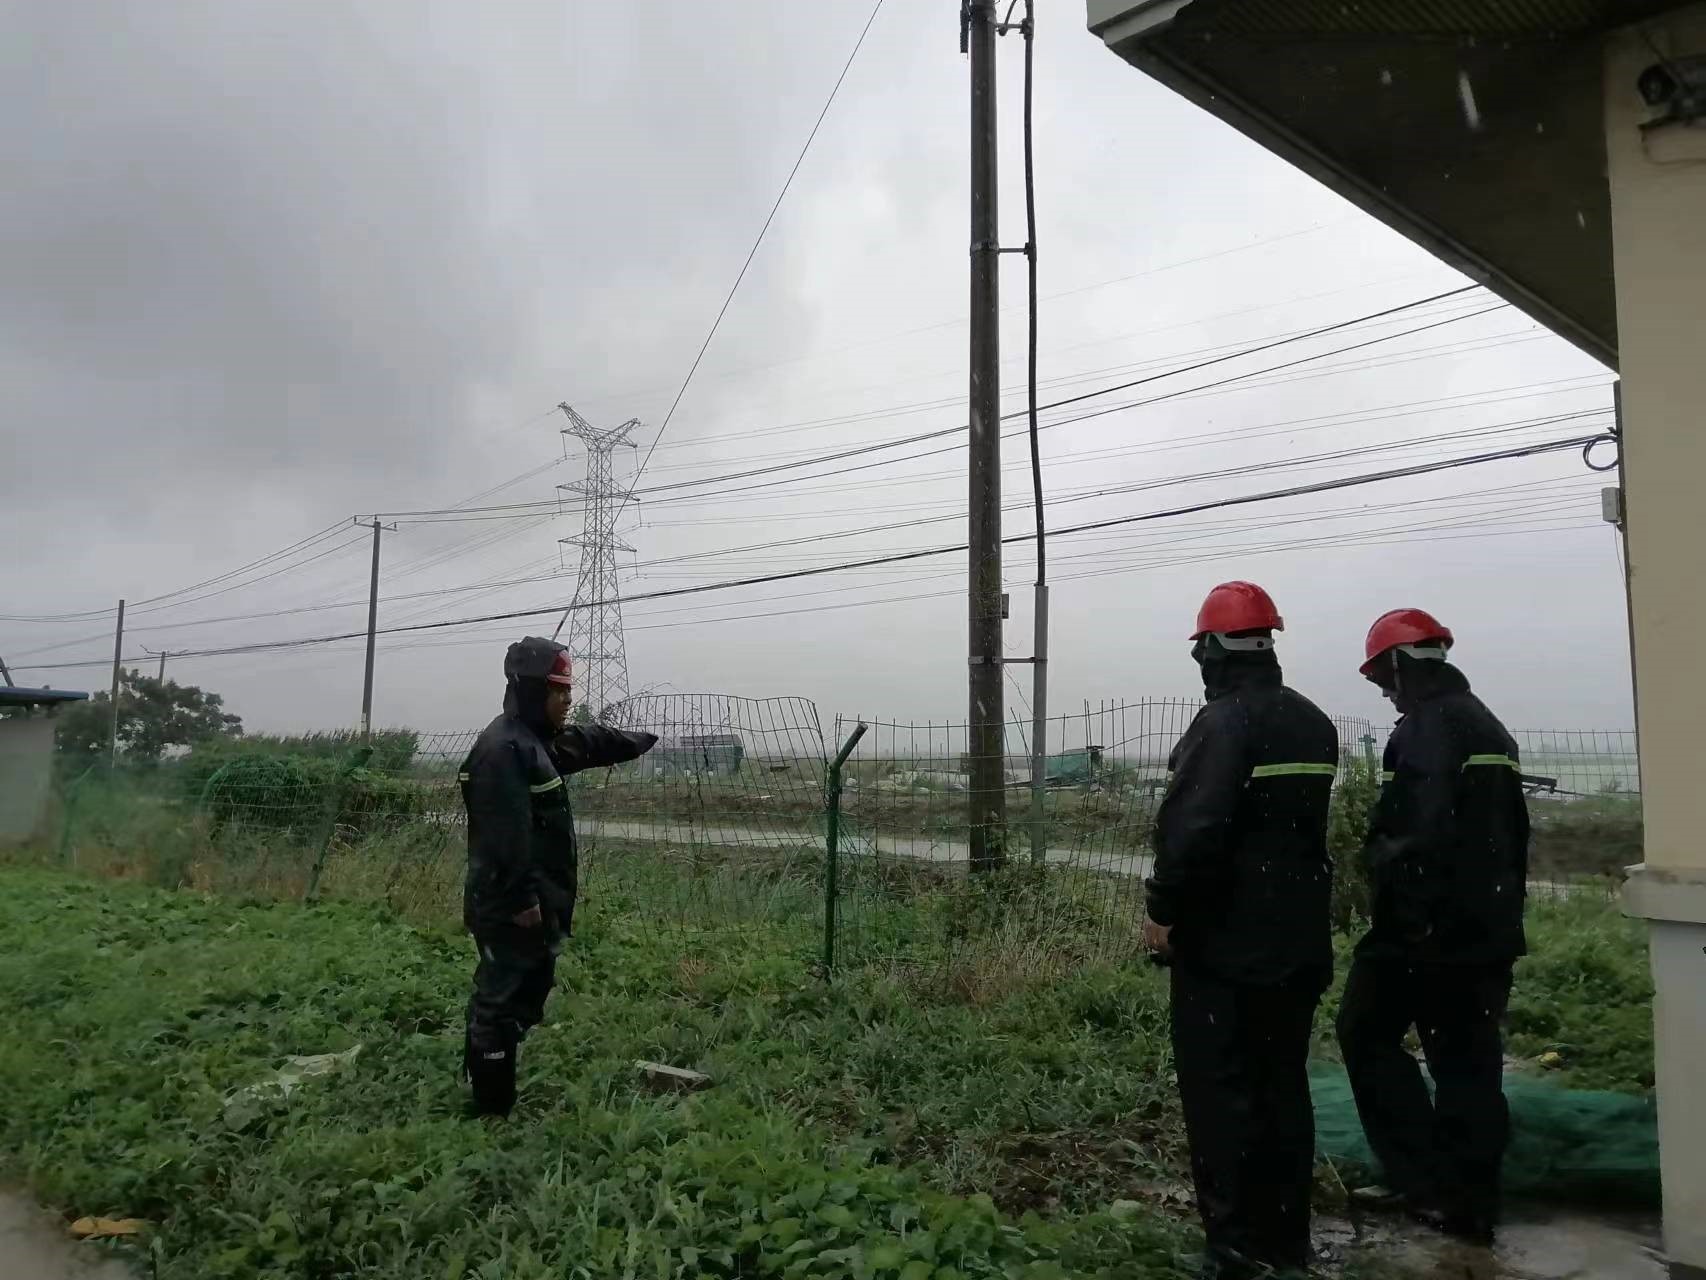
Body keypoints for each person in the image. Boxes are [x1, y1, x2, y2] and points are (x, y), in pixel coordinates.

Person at [1142, 581, 1339, 1279]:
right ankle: (1286, 1243)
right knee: (1282, 1089)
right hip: (1298, 944)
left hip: (1224, 950)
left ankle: (1233, 1250)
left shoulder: (1223, 724)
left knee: (1220, 1095)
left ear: (1214, 650)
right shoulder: (1314, 722)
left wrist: (1163, 910)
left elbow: (1193, 833)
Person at [1335, 608, 1529, 1245]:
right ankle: (1472, 1202)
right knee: (1470, 1062)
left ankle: (1424, 1180)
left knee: (1365, 1032)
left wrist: (1400, 916)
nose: (1383, 693)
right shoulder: (1486, 725)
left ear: (1399, 665)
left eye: (1381, 679)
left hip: (1427, 933)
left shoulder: (1427, 728)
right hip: (1487, 928)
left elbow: (1416, 836)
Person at [458, 636, 657, 1117]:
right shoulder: (501, 751)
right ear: (531, 692)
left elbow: (586, 743)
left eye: (569, 689)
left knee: (525, 993)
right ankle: (491, 1109)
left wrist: (640, 741)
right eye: (558, 690)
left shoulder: (535, 742)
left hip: (536, 903)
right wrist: (521, 902)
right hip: (510, 907)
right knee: (500, 1000)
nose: (568, 699)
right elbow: (502, 840)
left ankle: (487, 1075)